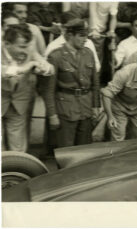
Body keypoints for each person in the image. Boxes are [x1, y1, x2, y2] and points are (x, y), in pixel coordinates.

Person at [44, 19, 101, 148]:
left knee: (85, 149)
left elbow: (95, 83)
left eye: (86, 35)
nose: (85, 39)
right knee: (66, 150)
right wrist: (52, 115)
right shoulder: (56, 56)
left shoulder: (89, 53)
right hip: (66, 109)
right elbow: (49, 90)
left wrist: (96, 105)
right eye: (81, 35)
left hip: (85, 108)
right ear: (70, 35)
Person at [2, 25, 54, 152]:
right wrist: (31, 64)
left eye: (27, 46)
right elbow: (7, 72)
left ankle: (15, 170)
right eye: (21, 47)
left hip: (18, 105)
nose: (25, 51)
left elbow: (50, 69)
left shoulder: (29, 51)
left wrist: (43, 69)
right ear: (7, 44)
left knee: (18, 147)